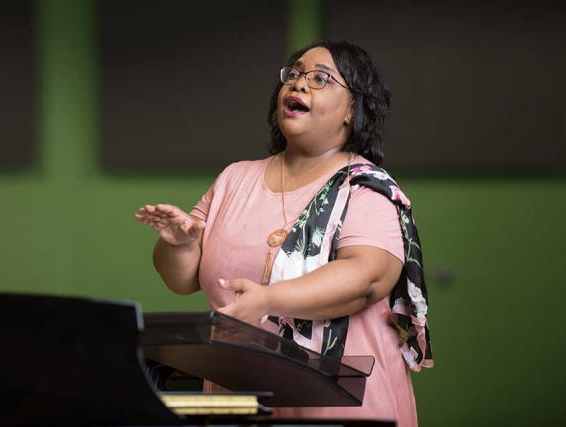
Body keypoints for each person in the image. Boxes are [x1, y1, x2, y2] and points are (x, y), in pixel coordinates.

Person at [135, 40, 433, 427]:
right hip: (238, 401)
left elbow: (367, 278)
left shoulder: (366, 189)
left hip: (339, 406)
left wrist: (268, 300)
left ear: (353, 109)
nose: (299, 84)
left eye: (320, 79)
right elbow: (182, 279)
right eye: (292, 75)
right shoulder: (234, 178)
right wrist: (182, 244)